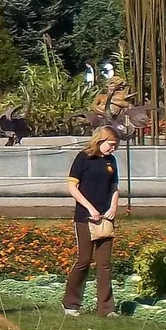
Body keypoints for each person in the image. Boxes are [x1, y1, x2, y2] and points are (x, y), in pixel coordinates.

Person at [63, 126, 121, 318]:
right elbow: (72, 186)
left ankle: (107, 308)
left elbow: (114, 186)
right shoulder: (83, 158)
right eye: (111, 144)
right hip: (85, 218)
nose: (113, 149)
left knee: (104, 264)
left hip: (106, 218)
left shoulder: (111, 161)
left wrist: (113, 207)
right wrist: (90, 208)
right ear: (100, 140)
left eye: (115, 145)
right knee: (84, 260)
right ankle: (71, 303)